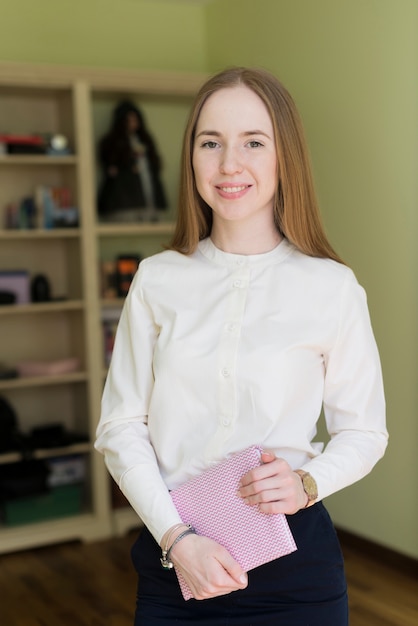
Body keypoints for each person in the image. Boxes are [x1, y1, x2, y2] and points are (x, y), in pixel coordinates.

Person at [95, 67, 388, 625]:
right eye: (211, 143)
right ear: (191, 158)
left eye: (253, 142)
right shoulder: (157, 280)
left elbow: (364, 432)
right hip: (175, 555)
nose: (230, 164)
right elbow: (120, 426)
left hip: (297, 569)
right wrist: (178, 541)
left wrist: (308, 482)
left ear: (286, 157)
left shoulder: (332, 287)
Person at [97, 100, 167, 219]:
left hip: (145, 179)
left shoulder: (144, 140)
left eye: (135, 120)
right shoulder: (113, 141)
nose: (133, 124)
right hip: (125, 193)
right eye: (129, 120)